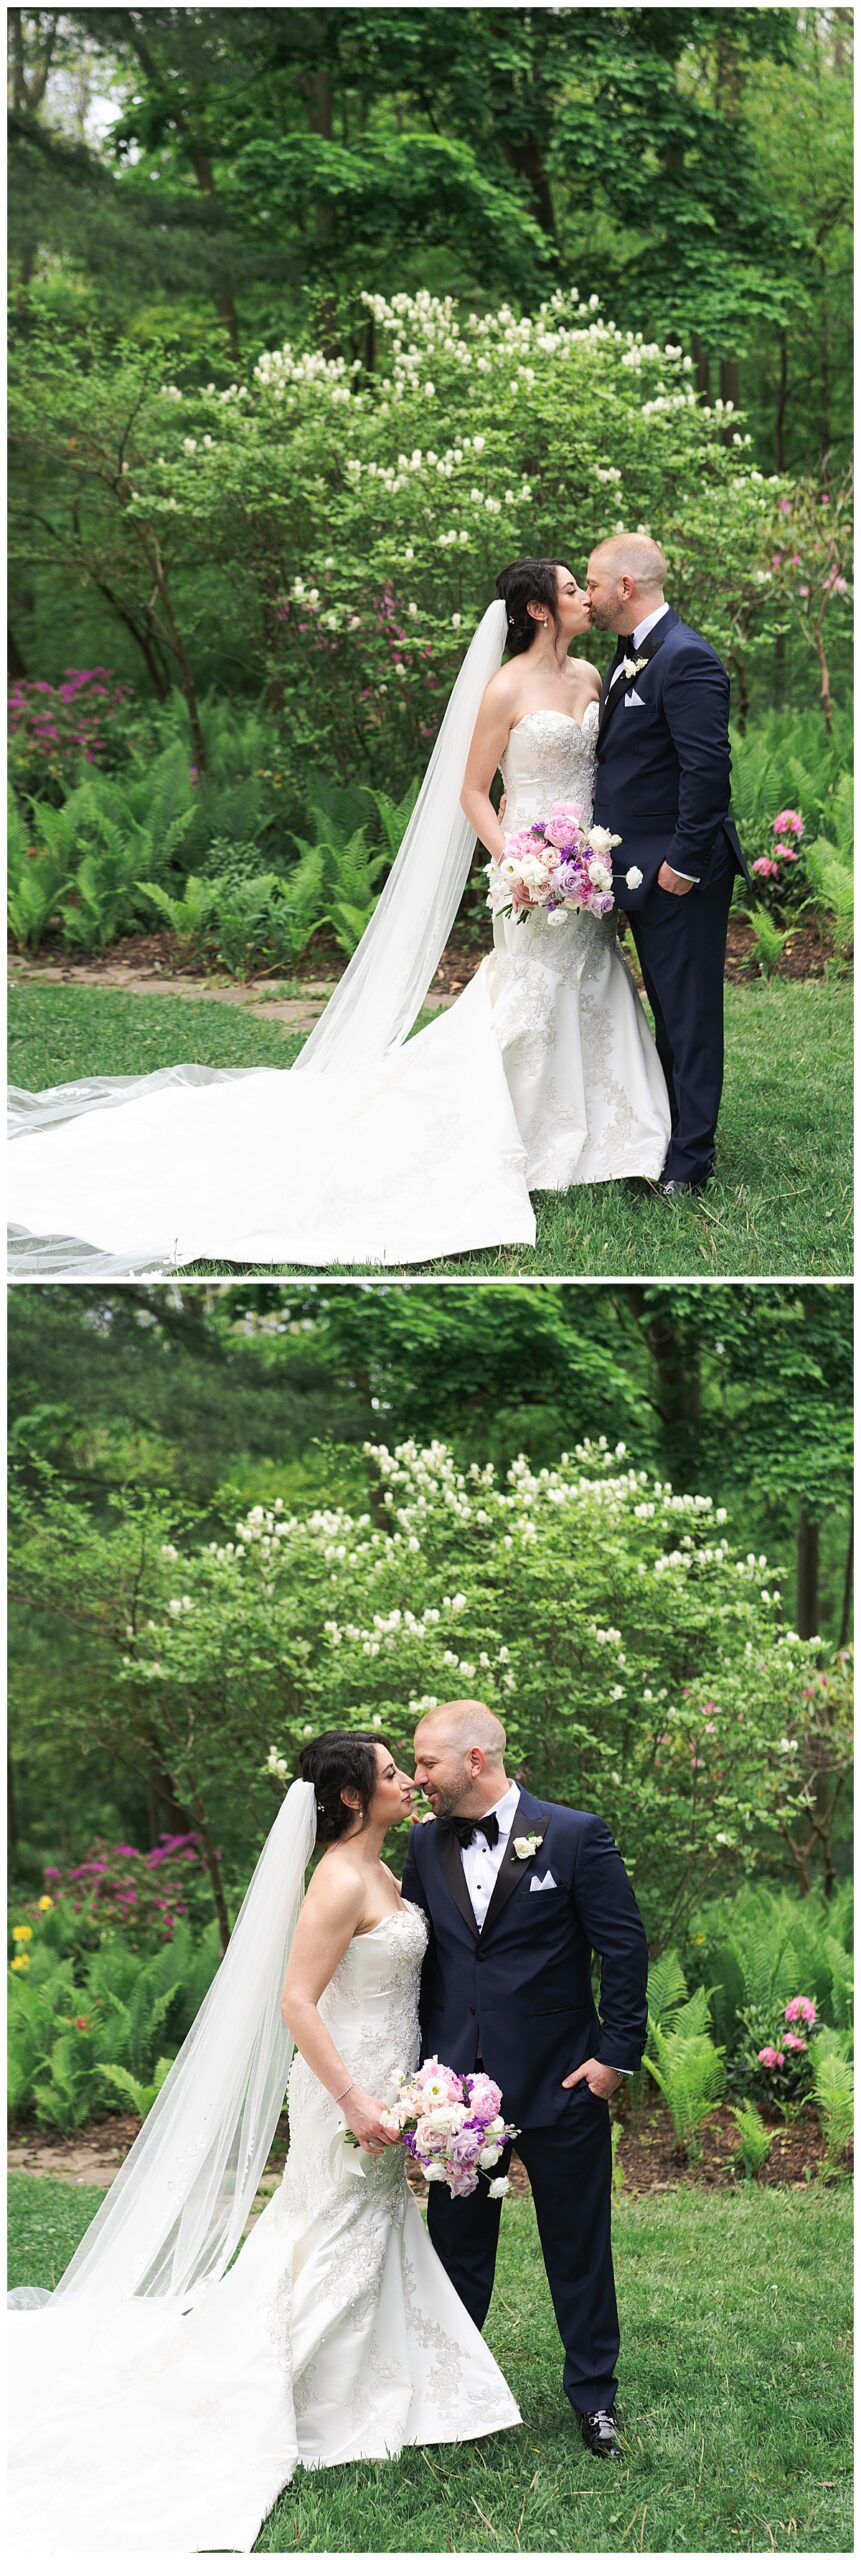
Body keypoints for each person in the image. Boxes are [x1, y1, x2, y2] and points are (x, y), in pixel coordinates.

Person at [8, 559, 669, 1279]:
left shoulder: (592, 679)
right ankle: (507, 1130)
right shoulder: (505, 687)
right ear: (538, 610)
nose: (584, 597)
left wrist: (585, 854)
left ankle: (619, 1138)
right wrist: (518, 860)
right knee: (531, 988)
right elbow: (473, 790)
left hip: (589, 865)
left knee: (595, 978)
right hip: (529, 871)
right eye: (571, 589)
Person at [8, 1733, 520, 2555]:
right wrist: (353, 2098)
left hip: (391, 2078)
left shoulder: (387, 1869)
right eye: (391, 1774)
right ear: (351, 1797)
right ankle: (289, 2386)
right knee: (330, 2224)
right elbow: (296, 2001)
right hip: (343, 2086)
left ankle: (388, 2379)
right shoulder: (336, 1878)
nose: (405, 1784)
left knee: (365, 2222)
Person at [402, 1701, 649, 2461]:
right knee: (456, 2248)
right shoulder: (420, 1844)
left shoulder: (574, 1835)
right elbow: (422, 1960)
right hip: (456, 2100)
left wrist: (612, 2058)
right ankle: (452, 2393)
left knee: (576, 2245)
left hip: (561, 2081)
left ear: (474, 1759)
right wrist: (423, 2080)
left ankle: (594, 2398)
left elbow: (624, 1948)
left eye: (426, 1764)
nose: (417, 1779)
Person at [587, 533, 752, 1196]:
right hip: (635, 871)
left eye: (594, 583)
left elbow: (706, 769)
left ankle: (688, 1163)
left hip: (677, 872)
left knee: (687, 1017)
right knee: (666, 1015)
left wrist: (682, 862)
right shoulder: (627, 654)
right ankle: (665, 1138)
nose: (589, 596)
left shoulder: (685, 658)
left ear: (625, 587)